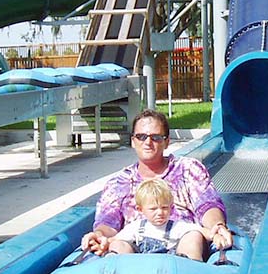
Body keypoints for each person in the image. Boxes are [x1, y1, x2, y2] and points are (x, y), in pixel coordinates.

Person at [81, 109, 233, 260]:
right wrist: (100, 236)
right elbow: (108, 220)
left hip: (182, 242)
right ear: (133, 141)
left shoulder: (188, 169)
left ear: (167, 142)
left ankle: (187, 273)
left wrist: (217, 226)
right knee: (117, 245)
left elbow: (207, 204)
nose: (148, 142)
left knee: (192, 238)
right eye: (141, 137)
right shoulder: (118, 183)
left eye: (156, 137)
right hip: (135, 246)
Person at [104, 179, 211, 258]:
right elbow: (115, 240)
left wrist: (215, 234)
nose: (160, 213)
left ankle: (191, 268)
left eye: (164, 208)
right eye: (153, 209)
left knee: (194, 235)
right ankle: (114, 266)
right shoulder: (137, 227)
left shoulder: (176, 227)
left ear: (171, 208)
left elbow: (201, 231)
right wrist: (104, 242)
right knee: (117, 244)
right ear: (140, 209)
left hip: (170, 270)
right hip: (140, 270)